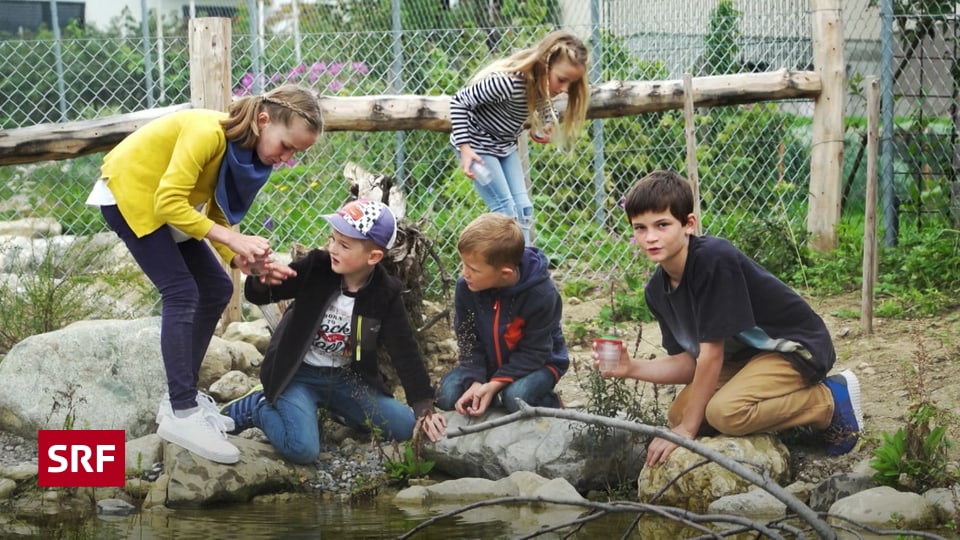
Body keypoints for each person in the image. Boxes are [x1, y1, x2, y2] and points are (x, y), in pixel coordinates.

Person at [86, 84, 323, 464]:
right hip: (130, 196)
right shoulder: (207, 133)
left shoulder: (238, 149)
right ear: (263, 121)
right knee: (181, 291)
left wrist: (237, 257)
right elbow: (168, 202)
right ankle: (182, 411)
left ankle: (181, 399)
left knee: (214, 288)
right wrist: (233, 238)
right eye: (287, 146)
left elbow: (210, 208)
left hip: (166, 206)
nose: (287, 157)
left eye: (295, 152)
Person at [599, 170, 864, 467]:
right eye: (640, 228)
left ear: (688, 224)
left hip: (793, 349)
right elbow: (689, 363)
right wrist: (631, 367)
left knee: (724, 414)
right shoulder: (656, 292)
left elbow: (711, 356)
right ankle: (784, 413)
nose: (650, 237)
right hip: (743, 359)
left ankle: (828, 400)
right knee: (679, 415)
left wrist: (688, 429)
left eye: (662, 225)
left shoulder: (713, 259)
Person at [220, 198, 447, 464]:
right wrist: (262, 278)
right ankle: (258, 407)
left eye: (344, 244)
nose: (333, 248)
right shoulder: (317, 267)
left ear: (373, 257)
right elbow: (266, 293)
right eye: (332, 239)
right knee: (302, 450)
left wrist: (423, 406)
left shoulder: (385, 292)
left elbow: (404, 349)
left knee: (406, 427)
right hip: (297, 374)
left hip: (345, 378)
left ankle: (336, 409)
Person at [449, 30, 590, 245]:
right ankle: (510, 265)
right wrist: (465, 147)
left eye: (570, 83)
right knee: (505, 210)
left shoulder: (538, 84)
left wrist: (545, 122)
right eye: (562, 80)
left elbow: (541, 98)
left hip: (505, 146)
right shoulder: (506, 83)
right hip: (479, 147)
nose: (564, 89)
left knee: (524, 208)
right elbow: (460, 101)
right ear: (544, 65)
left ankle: (524, 262)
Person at [436, 212, 569, 416]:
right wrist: (475, 382)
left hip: (539, 364)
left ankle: (550, 403)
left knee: (515, 398)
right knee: (448, 396)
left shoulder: (542, 294)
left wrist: (495, 384)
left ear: (504, 273)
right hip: (489, 363)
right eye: (463, 264)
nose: (464, 273)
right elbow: (468, 340)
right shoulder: (467, 288)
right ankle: (491, 394)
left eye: (473, 268)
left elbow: (535, 352)